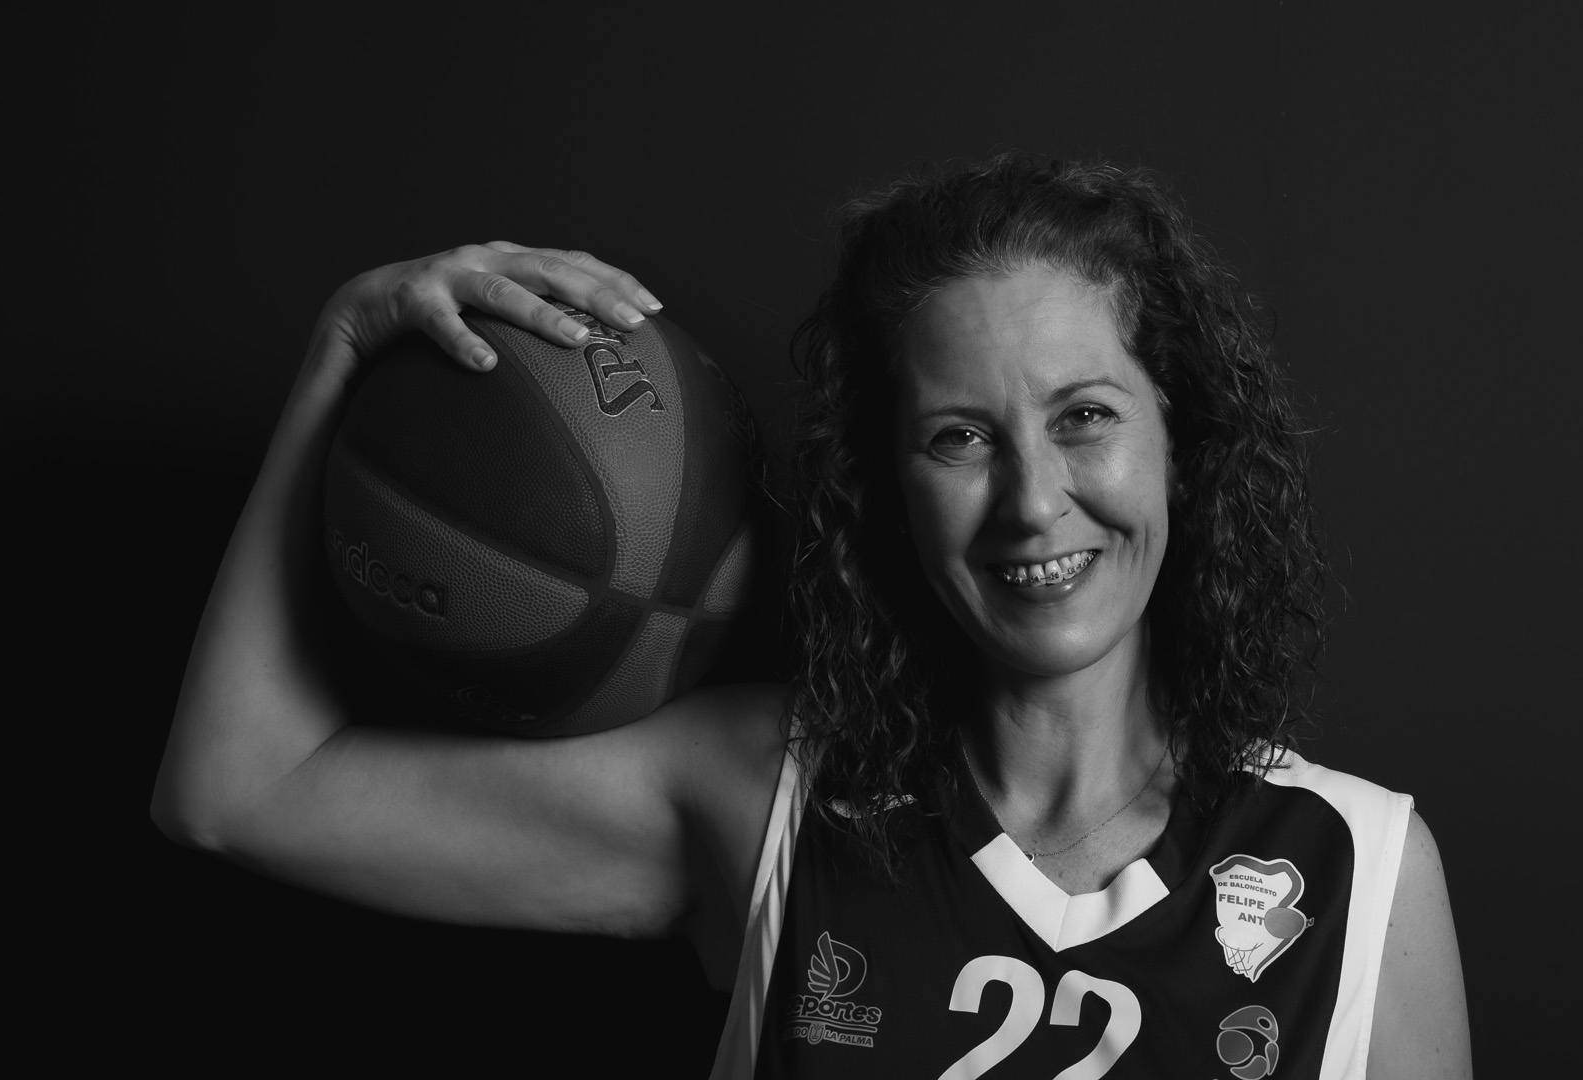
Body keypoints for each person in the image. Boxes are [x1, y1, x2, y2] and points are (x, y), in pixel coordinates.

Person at [153, 156, 1471, 1077]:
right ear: (885, 490)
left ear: (1181, 444)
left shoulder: (1360, 871)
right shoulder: (764, 802)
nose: (1032, 502)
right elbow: (237, 791)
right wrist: (346, 344)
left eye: (1085, 417)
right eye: (959, 437)